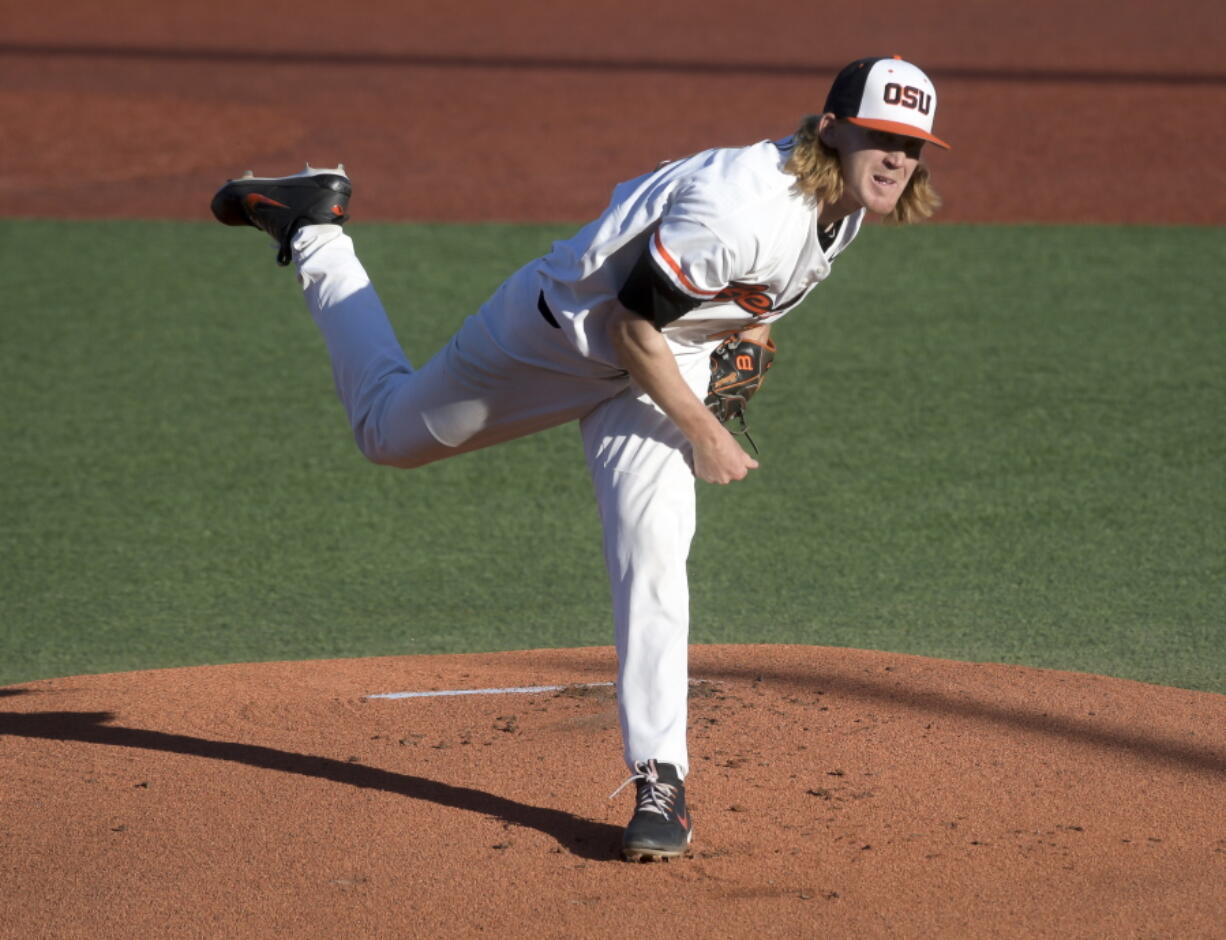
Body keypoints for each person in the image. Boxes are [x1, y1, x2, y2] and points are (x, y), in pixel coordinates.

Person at [211, 55, 949, 862]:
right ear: (834, 130)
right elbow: (635, 325)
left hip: (658, 368)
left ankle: (660, 780)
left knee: (656, 552)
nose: (896, 158)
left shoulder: (843, 205)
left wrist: (748, 339)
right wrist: (707, 430)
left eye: (911, 144)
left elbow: (749, 296)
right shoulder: (740, 208)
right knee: (388, 434)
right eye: (880, 137)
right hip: (549, 343)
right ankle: (314, 225)